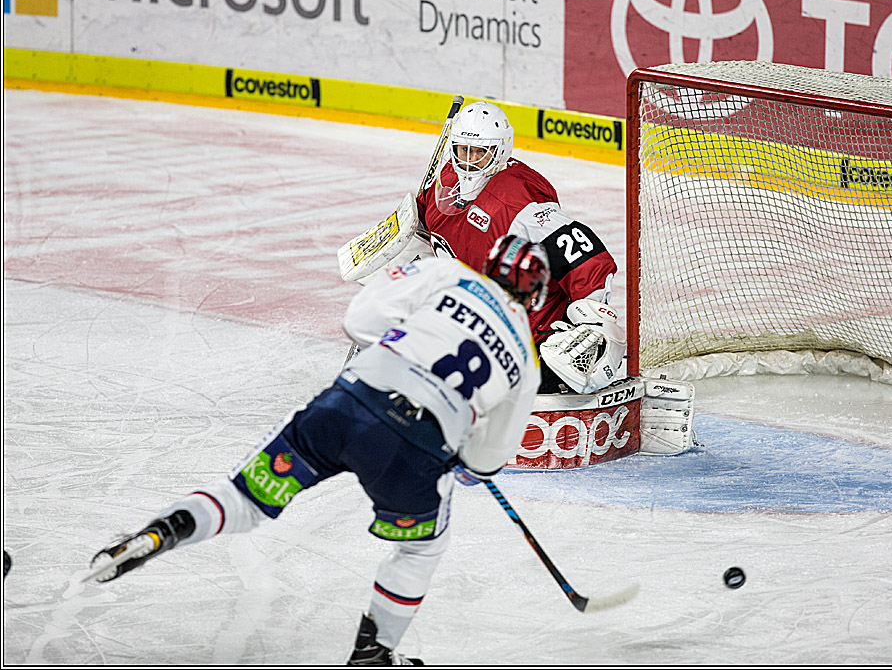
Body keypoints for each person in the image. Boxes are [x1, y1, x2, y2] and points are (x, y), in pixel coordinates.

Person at [87, 235, 551, 666]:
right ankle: (373, 654)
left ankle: (163, 531)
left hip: (347, 405)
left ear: (489, 264)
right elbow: (488, 459)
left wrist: (399, 353)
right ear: (534, 296)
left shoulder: (446, 273)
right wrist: (465, 461)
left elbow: (358, 321)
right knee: (421, 549)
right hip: (415, 448)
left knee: (244, 499)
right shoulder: (525, 360)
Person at [417, 101, 625, 395]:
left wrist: (591, 322)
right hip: (474, 319)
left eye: (479, 152)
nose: (468, 160)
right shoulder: (447, 182)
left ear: (500, 151)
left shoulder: (519, 201)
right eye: (463, 149)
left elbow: (588, 259)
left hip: (530, 334)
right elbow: (424, 221)